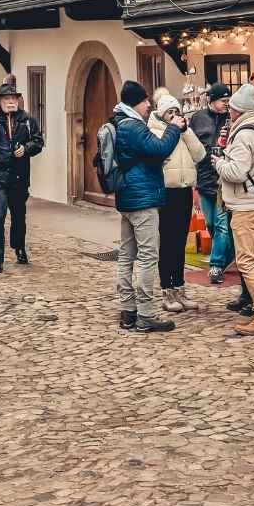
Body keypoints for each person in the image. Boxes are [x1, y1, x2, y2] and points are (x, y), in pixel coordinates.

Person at [112, 78, 183, 333]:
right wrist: (174, 128)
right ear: (138, 102)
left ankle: (128, 311)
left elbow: (143, 156)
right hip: (142, 199)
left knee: (126, 256)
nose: (148, 107)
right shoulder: (133, 126)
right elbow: (160, 148)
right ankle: (145, 314)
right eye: (146, 102)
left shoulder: (118, 121)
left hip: (127, 196)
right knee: (147, 257)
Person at [213, 82, 254, 337]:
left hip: (245, 205)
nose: (229, 112)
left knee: (246, 260)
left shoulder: (243, 134)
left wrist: (219, 163)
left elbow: (237, 172)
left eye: (231, 109)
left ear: (238, 110)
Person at [149, 90, 206, 313]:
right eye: (169, 112)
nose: (174, 115)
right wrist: (173, 131)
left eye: (176, 111)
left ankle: (180, 287)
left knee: (181, 241)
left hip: (184, 190)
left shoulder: (184, 131)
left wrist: (186, 131)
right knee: (168, 242)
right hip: (166, 191)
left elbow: (200, 154)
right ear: (162, 114)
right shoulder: (154, 131)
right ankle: (167, 289)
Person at [0, 77, 44, 271]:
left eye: (14, 99)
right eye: (7, 99)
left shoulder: (27, 121)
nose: (11, 102)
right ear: (0, 101)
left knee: (18, 217)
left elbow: (38, 142)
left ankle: (19, 248)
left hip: (19, 177)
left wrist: (26, 148)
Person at [189, 82, 235, 284]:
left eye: (228, 100)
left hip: (224, 179)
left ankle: (216, 265)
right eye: (223, 100)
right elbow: (189, 144)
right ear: (211, 100)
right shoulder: (198, 119)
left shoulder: (231, 118)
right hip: (203, 178)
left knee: (221, 224)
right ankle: (229, 253)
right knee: (211, 224)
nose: (227, 104)